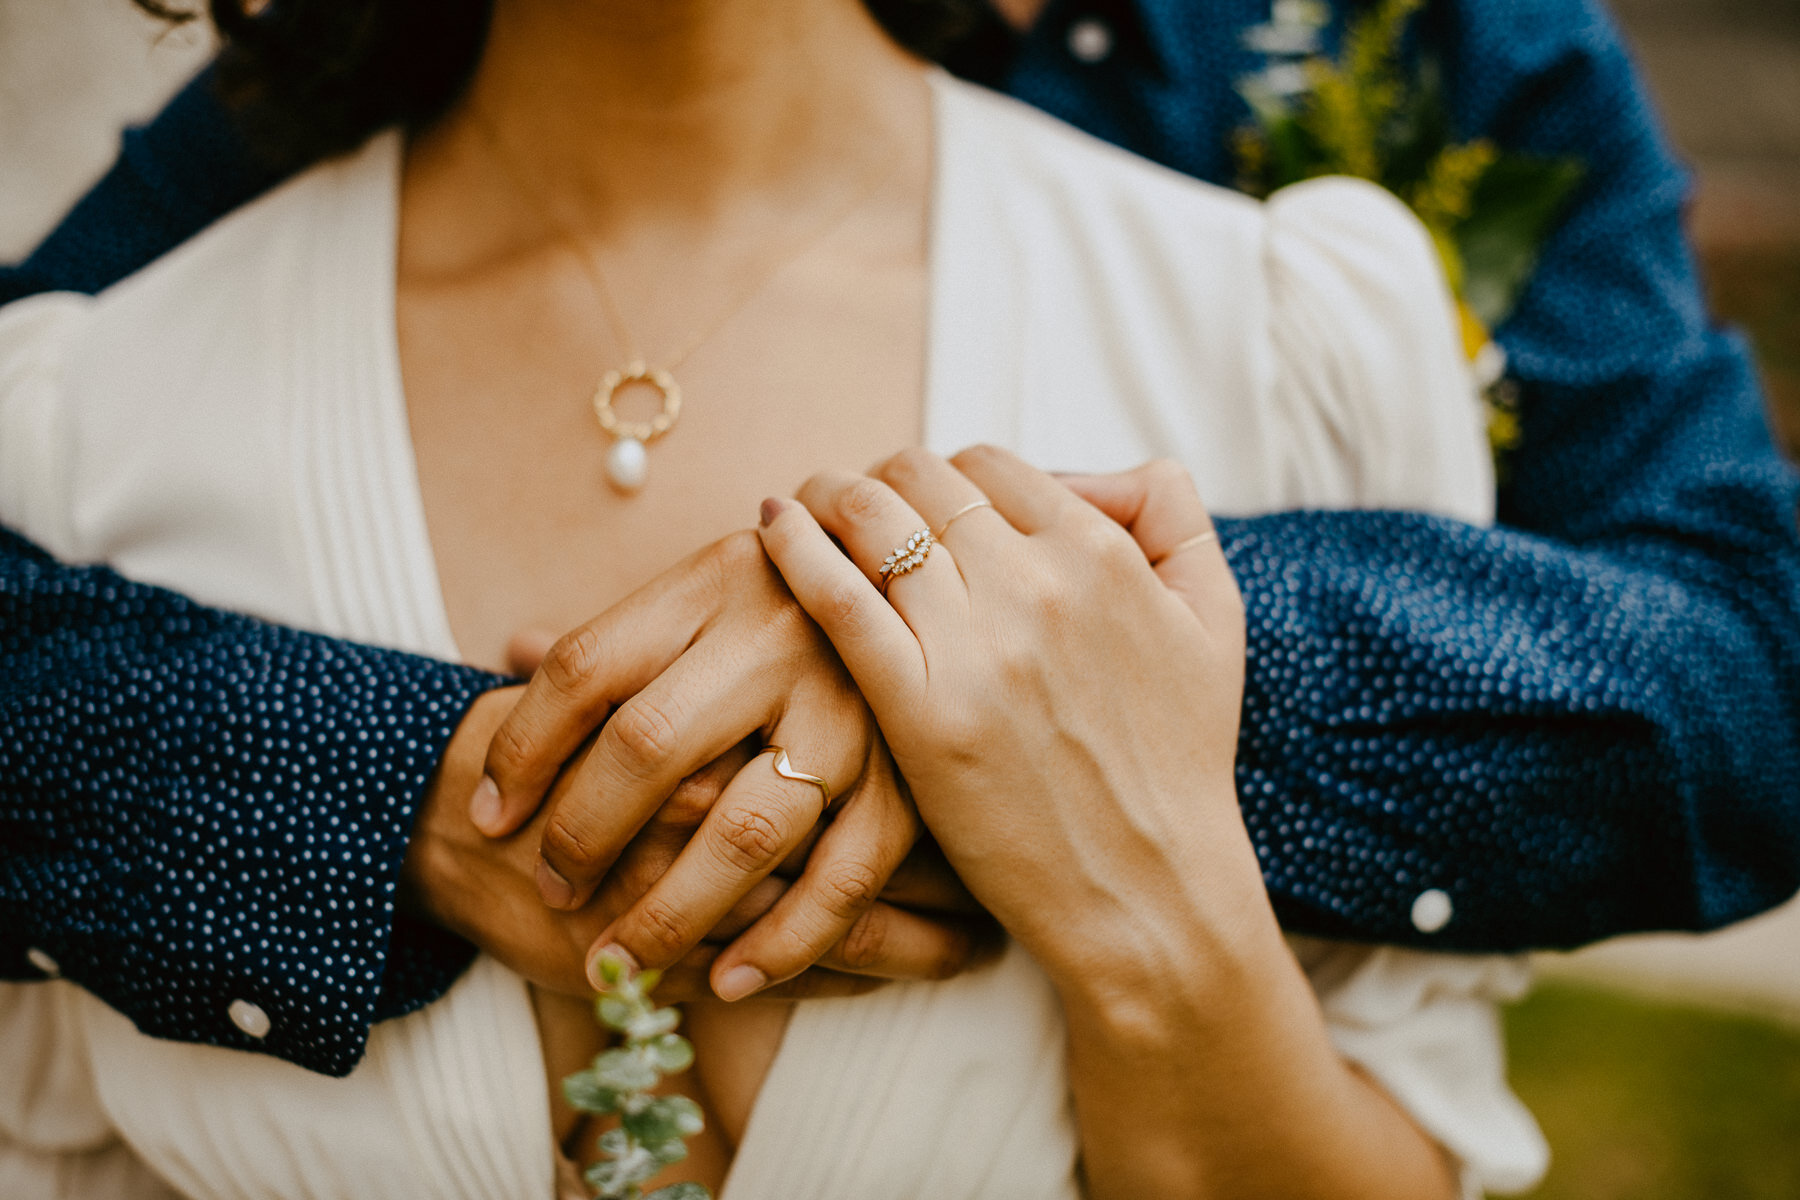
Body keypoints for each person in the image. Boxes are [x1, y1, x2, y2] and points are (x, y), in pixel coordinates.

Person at [2, 0, 1797, 1083]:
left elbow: (1749, 674)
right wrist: (389, 791)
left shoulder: (1391, 62)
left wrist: (1049, 652)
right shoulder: (283, 166)